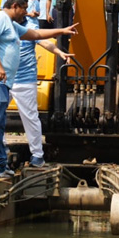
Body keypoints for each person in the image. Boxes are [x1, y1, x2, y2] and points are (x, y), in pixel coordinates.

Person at [0, 0, 78, 178]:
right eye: (24, 8)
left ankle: (1, 166)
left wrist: (62, 31)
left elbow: (36, 34)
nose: (26, 12)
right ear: (16, 6)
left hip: (4, 83)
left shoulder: (13, 25)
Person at [11, 14, 74, 167]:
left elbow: (45, 42)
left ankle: (37, 155)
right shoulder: (3, 27)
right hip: (5, 78)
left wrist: (59, 52)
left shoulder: (29, 28)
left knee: (30, 117)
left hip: (25, 79)